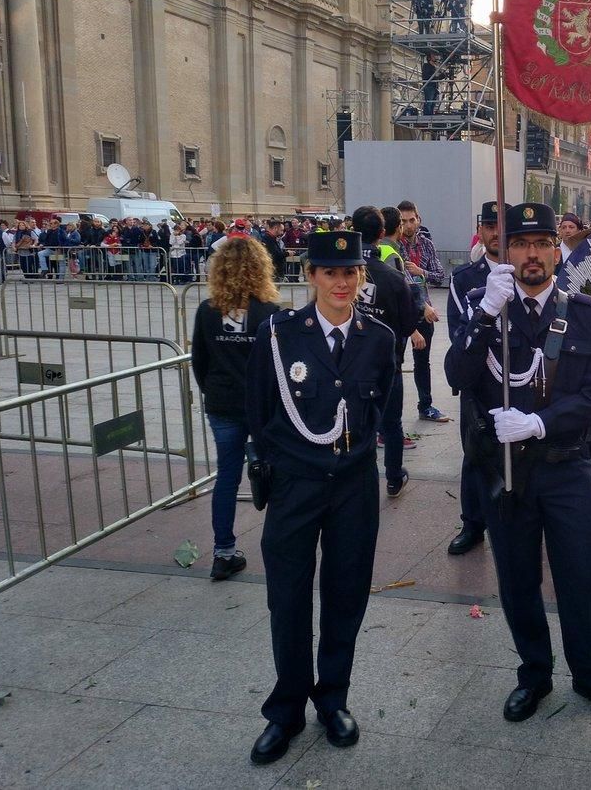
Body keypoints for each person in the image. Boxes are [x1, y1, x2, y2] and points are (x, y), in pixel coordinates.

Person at [444, 202, 591, 724]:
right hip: (503, 470)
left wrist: (541, 423)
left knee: (581, 577)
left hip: (565, 464)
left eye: (541, 244)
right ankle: (534, 674)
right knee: (517, 579)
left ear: (556, 250)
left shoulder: (586, 312)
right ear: (505, 250)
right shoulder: (486, 305)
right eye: (520, 244)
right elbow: (458, 374)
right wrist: (482, 316)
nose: (531, 254)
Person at [245, 231, 396, 766]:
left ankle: (333, 698)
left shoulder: (378, 338)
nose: (342, 282)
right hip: (295, 485)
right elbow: (260, 409)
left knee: (345, 593)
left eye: (351, 271)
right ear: (310, 275)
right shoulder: (279, 335)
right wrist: (281, 468)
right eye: (331, 272)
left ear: (361, 276)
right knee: (287, 598)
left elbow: (381, 409)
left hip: (353, 485)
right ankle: (285, 709)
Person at [191, 237, 281, 581]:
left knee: (226, 477)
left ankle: (223, 551)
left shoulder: (206, 310)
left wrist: (212, 392)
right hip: (261, 407)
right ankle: (279, 545)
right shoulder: (268, 313)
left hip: (223, 405)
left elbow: (199, 360)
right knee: (273, 475)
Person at [445, 201, 510, 555]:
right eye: (489, 225)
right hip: (479, 383)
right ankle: (472, 524)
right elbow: (459, 334)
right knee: (475, 456)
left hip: (523, 383)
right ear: (481, 231)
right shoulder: (464, 279)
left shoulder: (528, 272)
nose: (497, 232)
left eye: (503, 225)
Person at [351, 206, 423, 498]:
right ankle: (393, 477)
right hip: (387, 362)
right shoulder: (393, 277)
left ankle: (359, 479)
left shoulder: (340, 273)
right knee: (391, 424)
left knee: (357, 423)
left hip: (350, 362)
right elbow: (407, 323)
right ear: (381, 233)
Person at [397, 200, 449, 423]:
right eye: (403, 221)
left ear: (419, 220)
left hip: (424, 310)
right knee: (394, 362)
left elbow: (439, 275)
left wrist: (422, 271)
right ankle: (391, 416)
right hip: (401, 310)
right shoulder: (393, 246)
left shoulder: (426, 244)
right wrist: (424, 306)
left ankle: (425, 405)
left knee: (423, 361)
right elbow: (403, 281)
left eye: (412, 220)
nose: (408, 225)